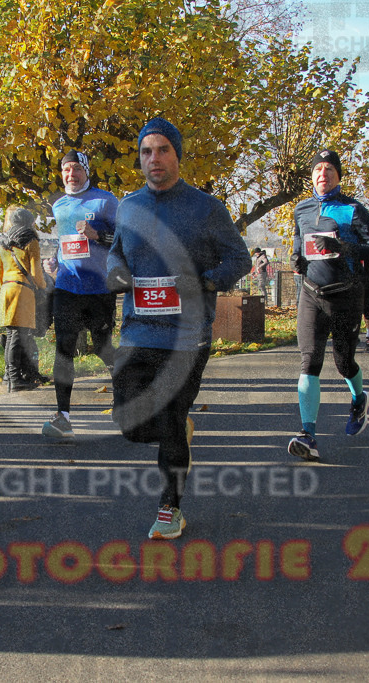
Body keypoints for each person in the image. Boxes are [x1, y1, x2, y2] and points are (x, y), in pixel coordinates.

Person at [106, 117, 249, 540]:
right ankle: (178, 434)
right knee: (130, 425)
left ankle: (170, 509)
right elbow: (117, 254)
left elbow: (238, 260)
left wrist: (204, 280)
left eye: (163, 149)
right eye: (147, 151)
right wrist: (116, 274)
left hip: (186, 337)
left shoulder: (206, 208)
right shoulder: (129, 206)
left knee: (168, 419)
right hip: (137, 332)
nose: (155, 159)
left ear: (177, 155)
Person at [287, 149, 369, 462]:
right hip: (311, 293)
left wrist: (341, 247)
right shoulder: (301, 209)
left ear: (338, 176)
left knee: (344, 362)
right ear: (311, 175)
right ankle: (308, 434)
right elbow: (298, 241)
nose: (322, 174)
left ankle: (358, 397)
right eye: (317, 169)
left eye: (329, 169)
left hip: (346, 294)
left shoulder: (353, 209)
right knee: (309, 362)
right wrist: (296, 258)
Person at [40, 150, 118, 439]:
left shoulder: (106, 201)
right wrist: (54, 262)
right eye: (65, 170)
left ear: (86, 171)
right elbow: (65, 244)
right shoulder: (59, 206)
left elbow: (124, 242)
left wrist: (98, 236)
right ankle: (63, 416)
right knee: (63, 349)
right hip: (67, 287)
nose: (70, 175)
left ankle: (125, 396)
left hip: (99, 289)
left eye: (75, 169)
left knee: (103, 348)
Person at [0, 206, 47, 391]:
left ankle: (10, 377)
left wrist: (6, 287)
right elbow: (36, 272)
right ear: (29, 222)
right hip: (22, 290)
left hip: (6, 289)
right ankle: (15, 379)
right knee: (18, 336)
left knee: (11, 335)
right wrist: (44, 286)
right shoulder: (30, 240)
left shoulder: (2, 241)